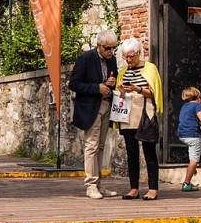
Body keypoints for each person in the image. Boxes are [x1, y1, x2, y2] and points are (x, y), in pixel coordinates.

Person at [67, 28, 120, 199]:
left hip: (106, 105)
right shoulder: (86, 58)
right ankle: (90, 185)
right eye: (108, 48)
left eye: (114, 48)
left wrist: (112, 82)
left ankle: (98, 184)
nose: (111, 52)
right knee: (92, 146)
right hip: (91, 106)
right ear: (99, 46)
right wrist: (96, 88)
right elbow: (73, 84)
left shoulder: (112, 61)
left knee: (102, 146)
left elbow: (114, 79)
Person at [113, 37, 162, 201]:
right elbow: (120, 97)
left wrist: (137, 89)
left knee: (149, 152)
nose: (129, 60)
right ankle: (134, 188)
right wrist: (121, 91)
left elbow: (154, 93)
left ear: (139, 53)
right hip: (127, 115)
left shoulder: (150, 69)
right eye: (126, 56)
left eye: (132, 56)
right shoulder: (123, 72)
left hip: (144, 113)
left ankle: (153, 188)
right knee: (131, 153)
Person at [176, 85, 201, 192]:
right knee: (193, 161)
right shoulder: (198, 105)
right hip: (193, 136)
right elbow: (200, 116)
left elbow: (190, 122)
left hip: (182, 135)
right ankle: (186, 183)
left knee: (192, 157)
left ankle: (188, 181)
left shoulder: (184, 107)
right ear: (198, 97)